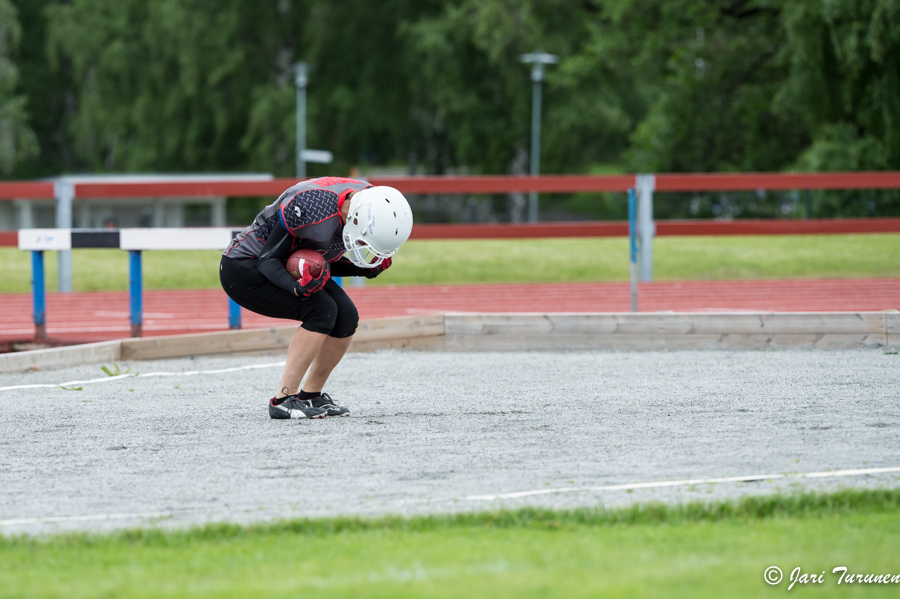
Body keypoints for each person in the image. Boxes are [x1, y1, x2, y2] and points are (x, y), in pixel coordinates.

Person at [220, 177, 413, 420]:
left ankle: (311, 395)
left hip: (284, 261)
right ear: (355, 220)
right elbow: (269, 258)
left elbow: (325, 260)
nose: (366, 246)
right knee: (321, 310)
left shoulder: (368, 201)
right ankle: (283, 400)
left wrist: (364, 269)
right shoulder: (312, 206)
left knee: (346, 315)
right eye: (366, 240)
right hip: (244, 267)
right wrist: (296, 288)